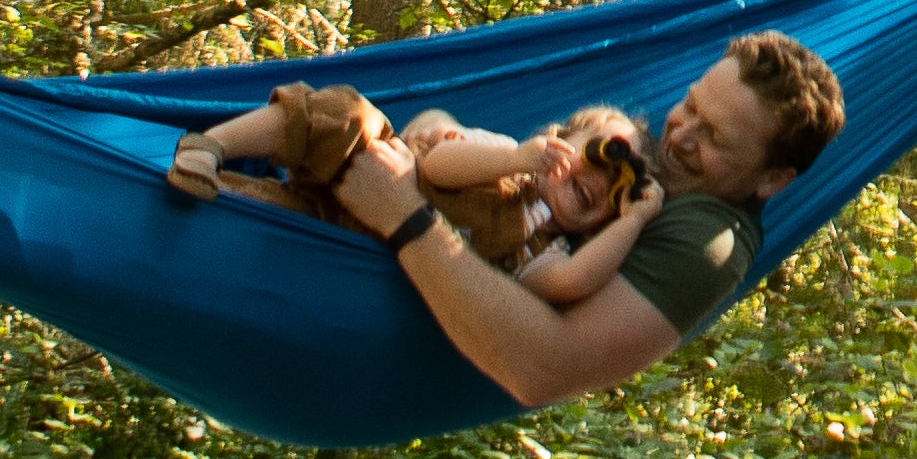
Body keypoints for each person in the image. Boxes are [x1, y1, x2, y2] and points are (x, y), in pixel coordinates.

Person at [330, 30, 844, 411]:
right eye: (688, 106)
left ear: (773, 180)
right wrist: (439, 134)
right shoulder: (640, 159)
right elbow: (511, 162)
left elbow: (543, 369)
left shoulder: (708, 243)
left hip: (381, 311)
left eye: (715, 138)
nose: (681, 137)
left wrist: (406, 216)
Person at [167, 84, 665, 303]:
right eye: (600, 153)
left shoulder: (543, 255)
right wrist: (516, 159)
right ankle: (212, 145)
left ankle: (214, 188)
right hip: (365, 173)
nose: (600, 177)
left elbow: (576, 280)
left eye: (618, 186)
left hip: (346, 245)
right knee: (347, 115)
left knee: (254, 214)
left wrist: (634, 220)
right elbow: (439, 165)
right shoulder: (507, 155)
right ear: (557, 138)